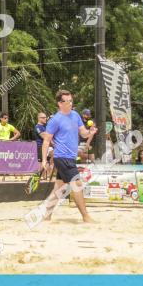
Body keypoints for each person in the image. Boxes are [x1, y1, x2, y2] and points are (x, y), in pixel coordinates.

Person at [40, 90, 98, 223]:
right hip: (61, 156)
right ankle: (86, 217)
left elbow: (83, 134)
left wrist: (91, 132)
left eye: (71, 100)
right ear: (60, 103)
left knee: (59, 188)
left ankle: (46, 215)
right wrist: (44, 160)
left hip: (70, 157)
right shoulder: (55, 120)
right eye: (67, 101)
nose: (70, 103)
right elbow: (46, 141)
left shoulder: (76, 115)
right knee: (77, 184)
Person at [30, 112, 53, 178]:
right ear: (39, 118)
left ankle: (47, 175)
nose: (45, 119)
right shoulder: (38, 127)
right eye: (43, 117)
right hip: (40, 147)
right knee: (41, 163)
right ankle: (39, 177)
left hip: (47, 147)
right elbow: (45, 137)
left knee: (53, 158)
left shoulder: (45, 127)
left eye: (45, 117)